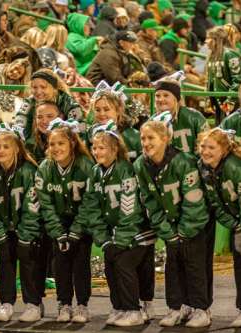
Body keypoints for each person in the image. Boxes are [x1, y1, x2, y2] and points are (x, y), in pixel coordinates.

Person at [133, 112, 210, 328]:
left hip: (193, 223)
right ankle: (177, 307)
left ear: (165, 139)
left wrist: (184, 231)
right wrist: (168, 232)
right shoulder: (140, 165)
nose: (146, 143)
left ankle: (201, 309)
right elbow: (150, 202)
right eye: (143, 139)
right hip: (170, 225)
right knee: (172, 265)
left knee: (194, 265)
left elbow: (194, 200)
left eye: (151, 138)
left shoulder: (184, 162)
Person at [73, 122, 154, 326]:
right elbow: (91, 208)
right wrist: (105, 240)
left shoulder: (126, 170)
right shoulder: (95, 171)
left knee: (123, 261)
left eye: (102, 148)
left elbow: (130, 208)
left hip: (138, 230)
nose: (96, 151)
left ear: (115, 149)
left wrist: (120, 240)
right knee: (110, 263)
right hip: (115, 233)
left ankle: (133, 310)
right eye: (94, 147)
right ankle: (119, 308)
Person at [197, 128, 241, 329]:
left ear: (224, 149)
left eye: (211, 147)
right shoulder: (205, 167)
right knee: (240, 264)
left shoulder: (235, 167)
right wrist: (235, 226)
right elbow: (216, 203)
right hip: (239, 223)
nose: (206, 151)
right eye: (203, 146)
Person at [0, 127, 47, 322]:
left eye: (6, 147)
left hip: (28, 229)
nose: (0, 150)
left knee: (28, 264)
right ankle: (6, 304)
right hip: (4, 229)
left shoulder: (29, 171)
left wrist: (25, 236)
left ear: (17, 148)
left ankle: (33, 304)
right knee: (5, 262)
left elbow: (32, 207)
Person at [35, 118, 94, 323]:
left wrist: (77, 231)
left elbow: (89, 202)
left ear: (72, 143)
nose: (56, 148)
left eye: (61, 143)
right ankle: (64, 303)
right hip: (58, 225)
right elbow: (45, 204)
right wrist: (58, 232)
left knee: (80, 263)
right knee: (60, 264)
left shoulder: (86, 165)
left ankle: (82, 305)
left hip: (82, 224)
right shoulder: (45, 168)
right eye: (52, 144)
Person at [14, 69, 84, 139]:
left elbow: (82, 126)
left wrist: (66, 126)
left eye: (43, 87)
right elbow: (20, 120)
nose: (38, 92)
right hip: (37, 143)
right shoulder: (30, 101)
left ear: (54, 88)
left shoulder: (67, 101)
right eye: (34, 87)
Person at [154, 75, 209, 155]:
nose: (161, 99)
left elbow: (207, 146)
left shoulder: (194, 117)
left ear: (176, 98)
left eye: (166, 95)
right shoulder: (152, 122)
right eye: (157, 96)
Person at [88, 81, 142, 161]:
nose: (102, 113)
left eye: (106, 109)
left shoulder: (134, 136)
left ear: (118, 110)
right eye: (97, 110)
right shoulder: (90, 134)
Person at [206, 24, 241, 118]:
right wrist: (209, 100)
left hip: (231, 104)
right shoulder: (212, 56)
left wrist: (231, 100)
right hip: (218, 102)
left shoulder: (230, 55)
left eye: (208, 38)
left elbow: (239, 80)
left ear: (216, 40)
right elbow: (210, 81)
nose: (206, 41)